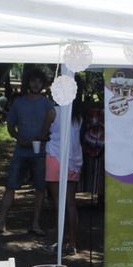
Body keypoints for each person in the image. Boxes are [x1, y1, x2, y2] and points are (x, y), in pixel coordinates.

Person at [0, 69, 54, 236]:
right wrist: (18, 137)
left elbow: (50, 124)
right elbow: (10, 126)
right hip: (21, 151)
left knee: (40, 188)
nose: (36, 84)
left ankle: (35, 224)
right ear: (28, 82)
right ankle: (1, 221)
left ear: (43, 84)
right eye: (33, 81)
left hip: (40, 152)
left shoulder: (47, 104)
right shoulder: (19, 102)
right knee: (10, 185)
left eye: (39, 81)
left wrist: (41, 136)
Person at [45, 83, 84, 256]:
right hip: (74, 161)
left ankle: (60, 242)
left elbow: (42, 133)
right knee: (70, 203)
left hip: (55, 157)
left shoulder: (54, 111)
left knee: (58, 203)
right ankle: (73, 242)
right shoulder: (78, 114)